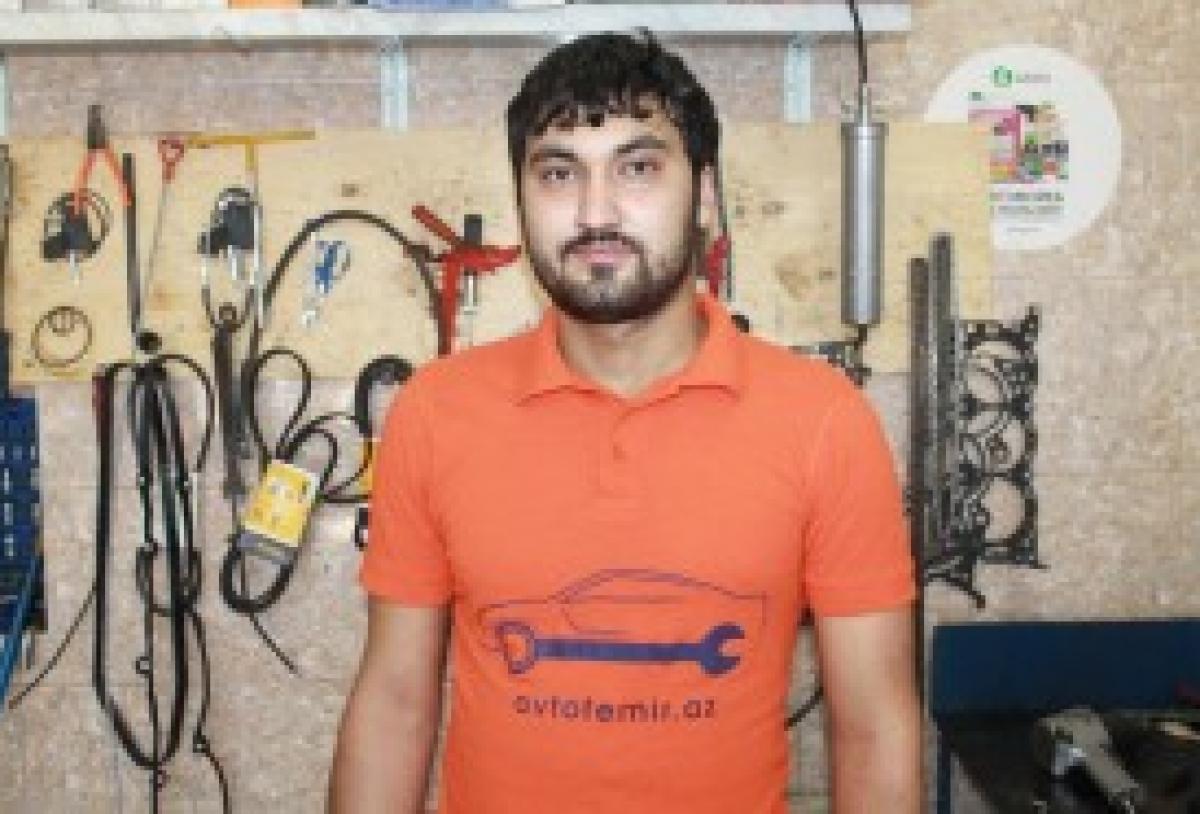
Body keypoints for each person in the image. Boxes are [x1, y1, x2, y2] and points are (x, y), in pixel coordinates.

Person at [328, 29, 920, 814]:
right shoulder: (435, 412)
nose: (595, 211)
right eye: (558, 173)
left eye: (637, 168)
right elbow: (395, 703)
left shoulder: (824, 423)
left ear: (704, 194)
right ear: (520, 199)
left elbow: (875, 729)